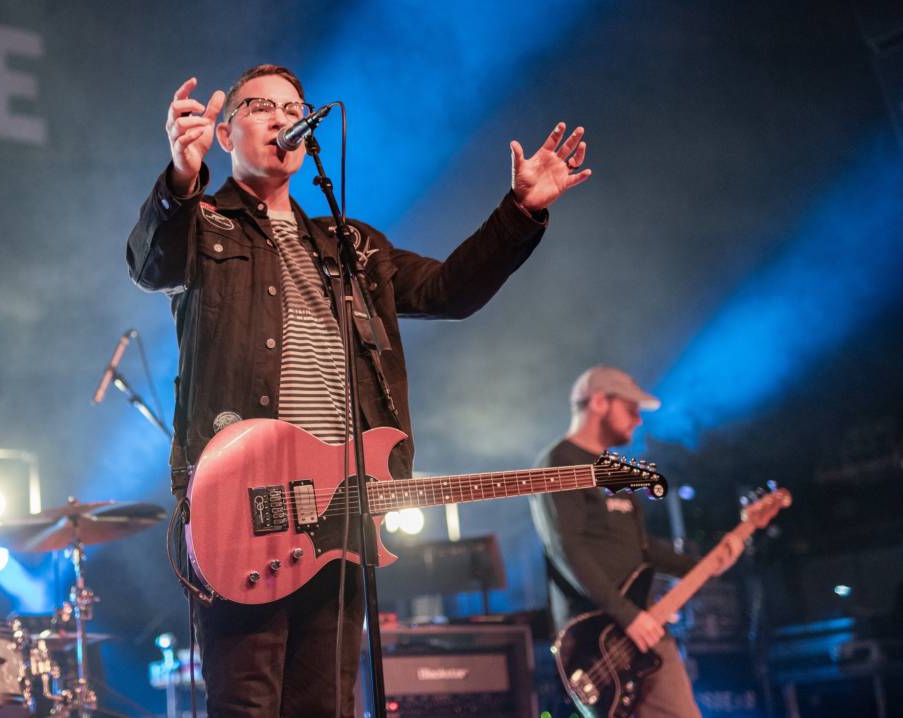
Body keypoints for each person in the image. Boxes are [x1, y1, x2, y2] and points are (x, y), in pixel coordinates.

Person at [127, 63, 590, 716]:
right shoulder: (203, 226)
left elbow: (447, 293)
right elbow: (149, 265)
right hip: (242, 505)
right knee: (247, 706)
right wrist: (179, 177)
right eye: (260, 106)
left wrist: (519, 211)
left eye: (294, 109)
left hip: (341, 507)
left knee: (328, 704)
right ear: (225, 132)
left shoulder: (350, 247)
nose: (281, 118)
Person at [528, 365, 743, 717]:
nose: (638, 420)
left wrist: (705, 565)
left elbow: (641, 547)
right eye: (631, 409)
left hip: (640, 623)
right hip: (598, 635)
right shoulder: (559, 463)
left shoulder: (614, 470)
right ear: (598, 402)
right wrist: (626, 614)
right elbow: (566, 547)